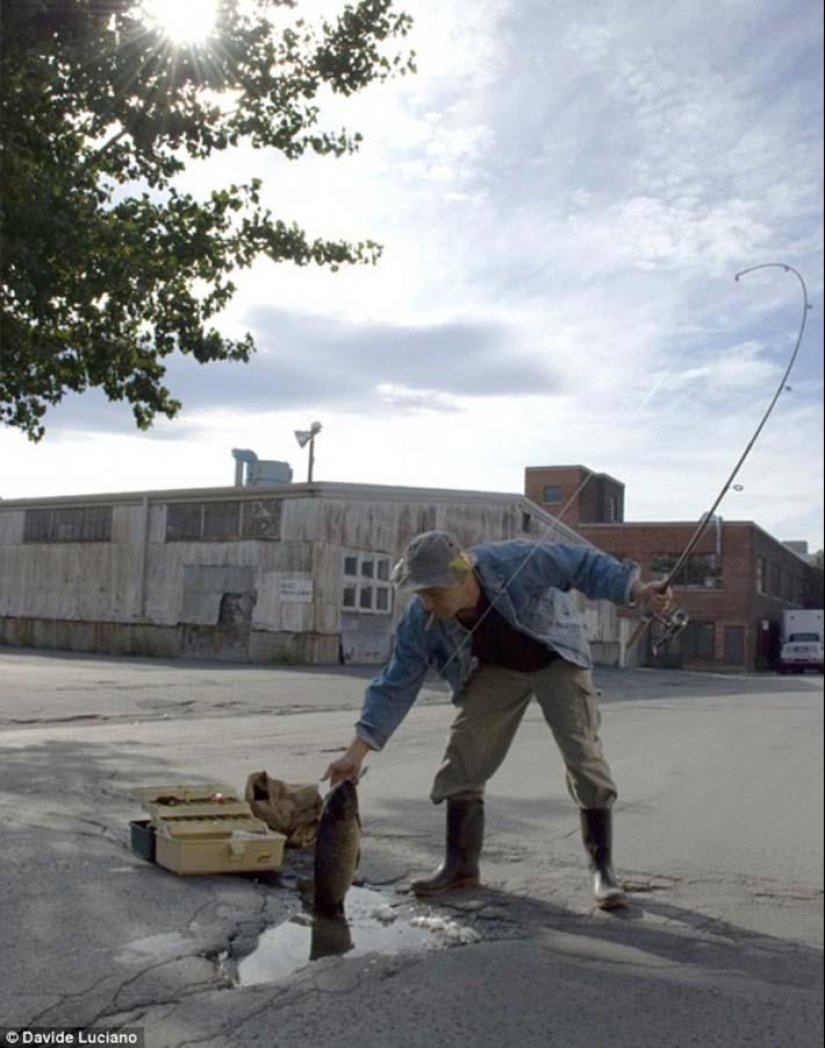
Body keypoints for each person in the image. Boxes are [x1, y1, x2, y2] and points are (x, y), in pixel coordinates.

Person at [323, 530, 672, 910]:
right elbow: (395, 683)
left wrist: (635, 590)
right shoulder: (420, 619)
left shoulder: (514, 561)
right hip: (494, 670)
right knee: (465, 752)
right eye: (419, 594)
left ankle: (602, 870)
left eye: (434, 593)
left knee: (583, 754)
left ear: (463, 575)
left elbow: (582, 564)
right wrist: (355, 753)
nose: (426, 604)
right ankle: (460, 865)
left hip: (555, 656)